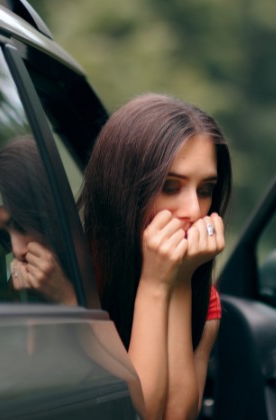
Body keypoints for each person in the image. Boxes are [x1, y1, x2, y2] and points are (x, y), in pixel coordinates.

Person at [78, 93, 232, 419]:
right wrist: (155, 284)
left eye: (205, 190)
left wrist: (179, 280)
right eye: (171, 186)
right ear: (124, 190)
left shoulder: (206, 296)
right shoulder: (74, 275)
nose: (193, 210)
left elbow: (175, 417)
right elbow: (137, 414)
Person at [0, 136, 77, 306]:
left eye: (20, 226)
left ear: (48, 212)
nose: (16, 250)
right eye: (4, 235)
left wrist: (66, 297)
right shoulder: (17, 286)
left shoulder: (99, 267)